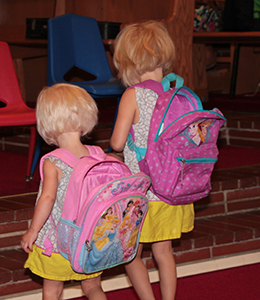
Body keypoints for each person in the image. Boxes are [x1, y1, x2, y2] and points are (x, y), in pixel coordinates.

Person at [110, 20, 195, 300]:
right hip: (172, 190)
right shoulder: (178, 92)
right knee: (164, 252)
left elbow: (117, 143)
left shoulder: (132, 96)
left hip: (142, 192)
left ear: (127, 62)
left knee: (131, 253)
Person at [21, 83, 107, 300]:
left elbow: (47, 198)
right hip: (90, 238)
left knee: (52, 289)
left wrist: (33, 230)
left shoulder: (53, 162)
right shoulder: (98, 155)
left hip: (59, 240)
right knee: (93, 287)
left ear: (47, 122)